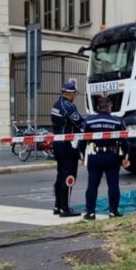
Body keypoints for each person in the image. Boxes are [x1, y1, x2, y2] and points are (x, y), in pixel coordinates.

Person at [79, 97, 130, 220]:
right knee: (113, 185)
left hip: (95, 156)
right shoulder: (118, 121)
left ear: (97, 108)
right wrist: (125, 157)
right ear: (109, 107)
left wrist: (81, 156)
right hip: (112, 156)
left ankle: (90, 212)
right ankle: (113, 212)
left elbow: (82, 140)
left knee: (92, 185)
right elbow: (125, 141)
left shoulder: (89, 121)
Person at [51, 79, 84, 218]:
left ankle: (57, 206)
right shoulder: (68, 106)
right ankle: (65, 208)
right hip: (68, 144)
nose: (75, 96)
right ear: (69, 93)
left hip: (58, 143)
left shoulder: (56, 105)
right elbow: (79, 122)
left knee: (60, 175)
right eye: (74, 94)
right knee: (69, 176)